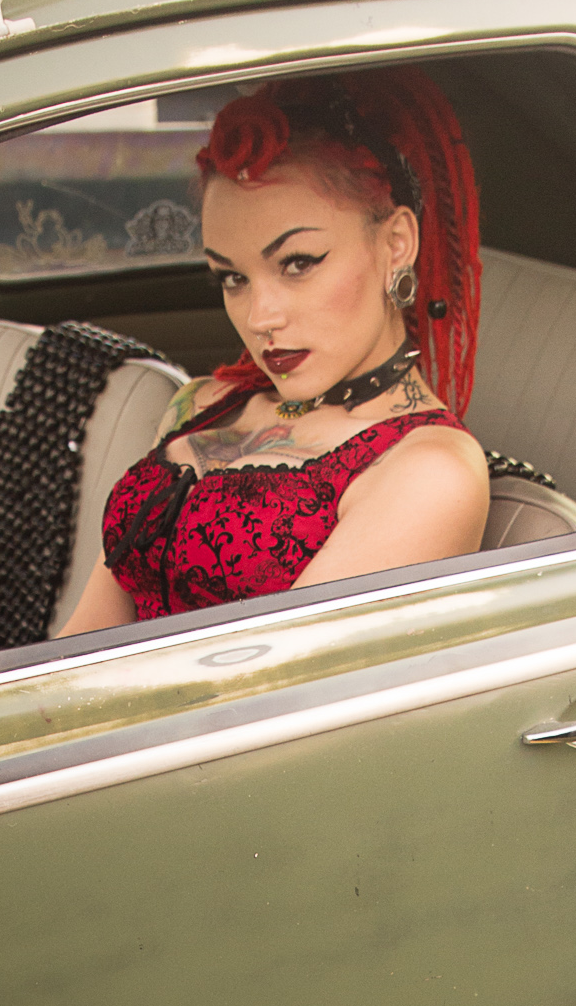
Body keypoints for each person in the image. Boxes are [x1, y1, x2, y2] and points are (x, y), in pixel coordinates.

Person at [53, 69, 490, 635]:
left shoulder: (430, 471)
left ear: (396, 244)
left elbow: (277, 677)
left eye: (298, 263)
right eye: (232, 278)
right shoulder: (202, 403)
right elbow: (82, 640)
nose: (260, 319)